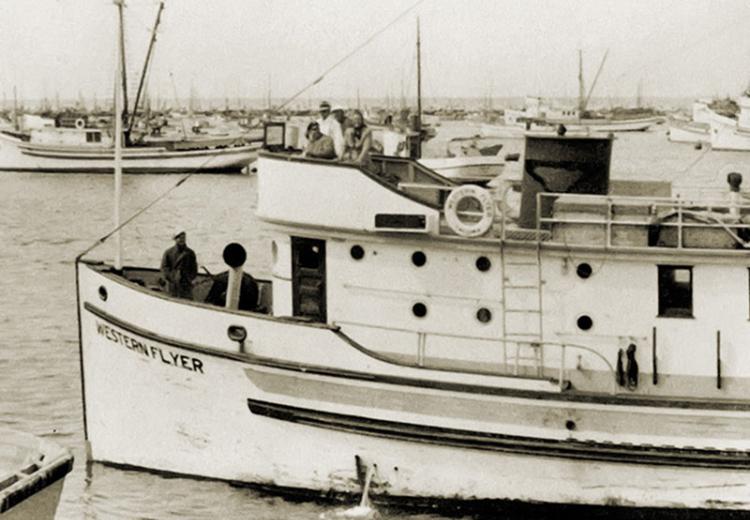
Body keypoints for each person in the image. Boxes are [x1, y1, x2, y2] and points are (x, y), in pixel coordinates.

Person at [160, 231, 198, 299]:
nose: (181, 240)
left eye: (183, 238)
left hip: (186, 284)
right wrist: (172, 277)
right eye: (179, 238)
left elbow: (194, 269)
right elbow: (164, 268)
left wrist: (189, 278)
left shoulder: (190, 253)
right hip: (172, 284)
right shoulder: (168, 252)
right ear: (175, 239)